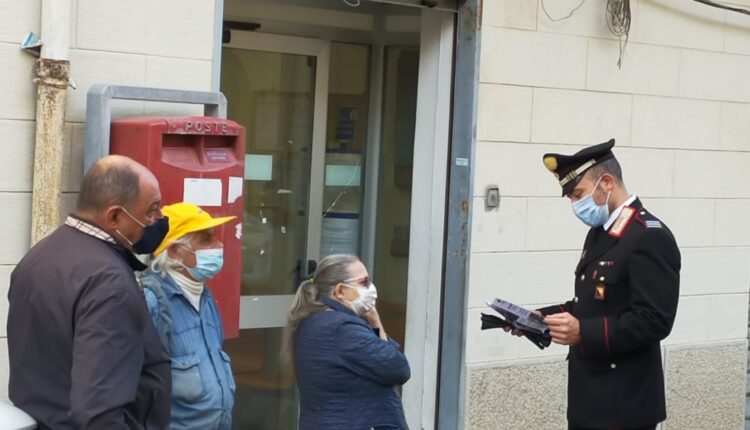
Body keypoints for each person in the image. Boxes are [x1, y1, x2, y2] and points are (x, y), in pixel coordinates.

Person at [7, 155, 171, 429]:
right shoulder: (109, 283)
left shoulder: (39, 256)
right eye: (151, 210)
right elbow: (98, 413)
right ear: (115, 216)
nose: (159, 219)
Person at [535, 139, 681, 430]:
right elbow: (595, 302)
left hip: (623, 404)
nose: (576, 205)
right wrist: (540, 319)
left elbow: (654, 320)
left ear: (606, 182)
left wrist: (582, 332)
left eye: (578, 194)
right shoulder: (601, 233)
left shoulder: (648, 236)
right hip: (589, 397)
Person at [284, 254, 410, 430]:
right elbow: (398, 369)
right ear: (340, 291)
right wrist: (375, 320)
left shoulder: (314, 320)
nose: (371, 288)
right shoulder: (342, 329)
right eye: (364, 282)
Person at [139, 202, 236, 430]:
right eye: (205, 239)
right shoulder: (151, 300)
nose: (218, 245)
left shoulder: (204, 296)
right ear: (175, 252)